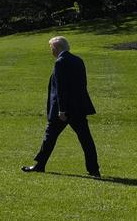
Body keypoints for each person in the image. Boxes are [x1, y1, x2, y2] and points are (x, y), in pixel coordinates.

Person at [21, 36, 100, 178]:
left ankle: (40, 165)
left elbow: (60, 89)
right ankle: (94, 169)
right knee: (86, 139)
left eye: (51, 48)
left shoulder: (60, 62)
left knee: (50, 137)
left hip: (63, 110)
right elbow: (82, 85)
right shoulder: (78, 60)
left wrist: (62, 110)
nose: (51, 51)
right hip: (78, 107)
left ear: (56, 48)